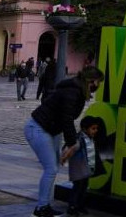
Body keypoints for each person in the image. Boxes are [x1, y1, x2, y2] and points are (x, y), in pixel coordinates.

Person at [24, 66, 104, 217]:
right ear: (91, 81)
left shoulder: (77, 91)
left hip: (50, 130)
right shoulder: (73, 92)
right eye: (98, 82)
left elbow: (65, 119)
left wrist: (68, 146)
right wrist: (72, 144)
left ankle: (44, 205)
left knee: (53, 167)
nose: (98, 86)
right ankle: (41, 207)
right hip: (38, 128)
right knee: (51, 168)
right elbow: (66, 118)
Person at [60, 115, 102, 216]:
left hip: (86, 170)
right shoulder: (80, 138)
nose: (95, 131)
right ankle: (72, 206)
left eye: (96, 128)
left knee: (83, 188)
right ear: (84, 129)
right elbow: (72, 148)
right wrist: (65, 157)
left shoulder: (90, 138)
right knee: (77, 188)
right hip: (79, 170)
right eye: (93, 128)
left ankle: (80, 205)